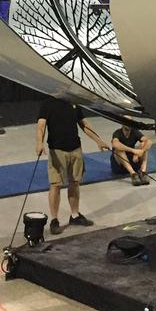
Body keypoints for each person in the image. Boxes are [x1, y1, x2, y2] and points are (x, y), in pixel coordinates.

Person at [35, 99, 111, 235]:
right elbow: (41, 126)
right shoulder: (48, 103)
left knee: (75, 182)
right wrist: (39, 143)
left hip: (75, 149)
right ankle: (54, 220)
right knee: (55, 185)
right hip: (57, 150)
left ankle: (75, 215)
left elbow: (84, 124)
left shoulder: (73, 102)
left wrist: (98, 140)